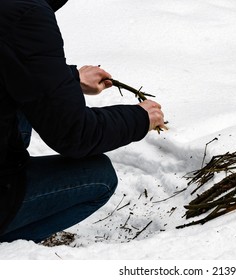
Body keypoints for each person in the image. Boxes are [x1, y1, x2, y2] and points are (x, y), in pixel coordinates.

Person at [0, 0, 166, 243]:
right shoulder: (26, 14)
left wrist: (70, 78)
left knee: (22, 103)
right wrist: (139, 118)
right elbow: (74, 134)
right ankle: (11, 248)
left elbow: (14, 63)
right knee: (99, 177)